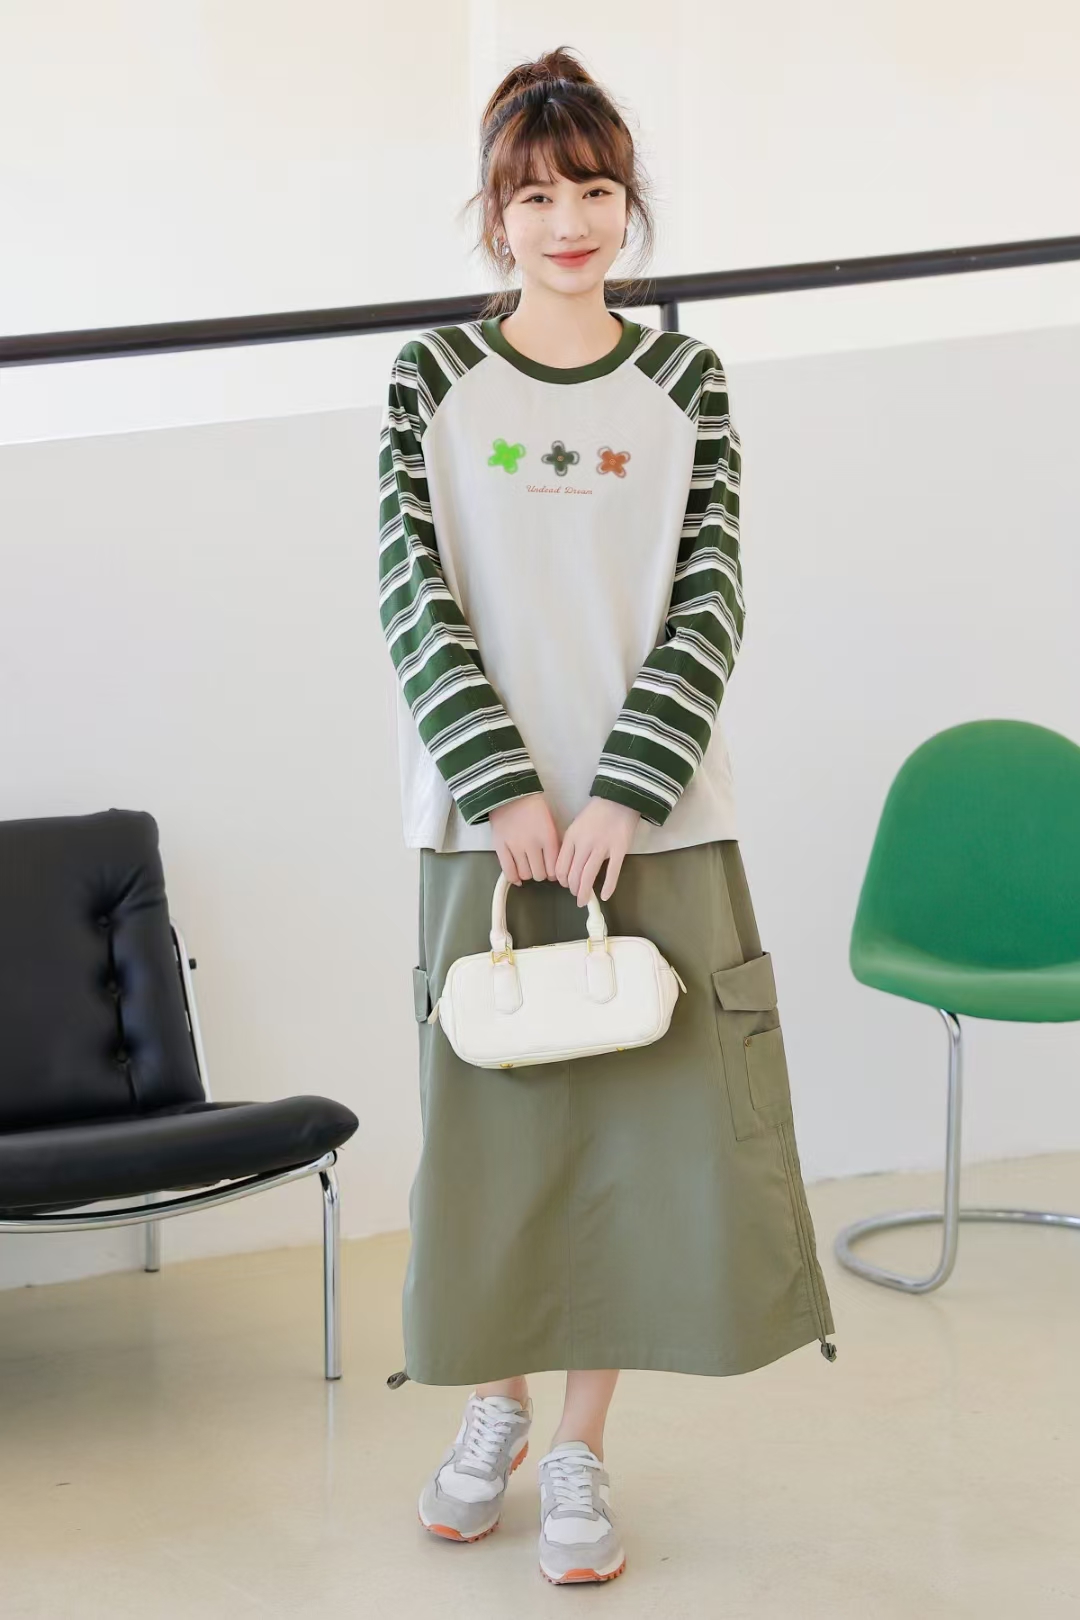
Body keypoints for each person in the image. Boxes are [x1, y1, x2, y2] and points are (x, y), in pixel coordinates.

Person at [377, 44, 836, 1587]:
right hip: (484, 834)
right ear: (492, 212)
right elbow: (412, 591)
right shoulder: (433, 381)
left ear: (627, 203)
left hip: (658, 823)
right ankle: (493, 1408)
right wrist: (503, 783)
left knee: (639, 1148)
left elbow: (712, 594)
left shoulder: (685, 383)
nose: (569, 222)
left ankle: (579, 1444)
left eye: (593, 190)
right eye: (535, 196)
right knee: (493, 1143)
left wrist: (626, 791)